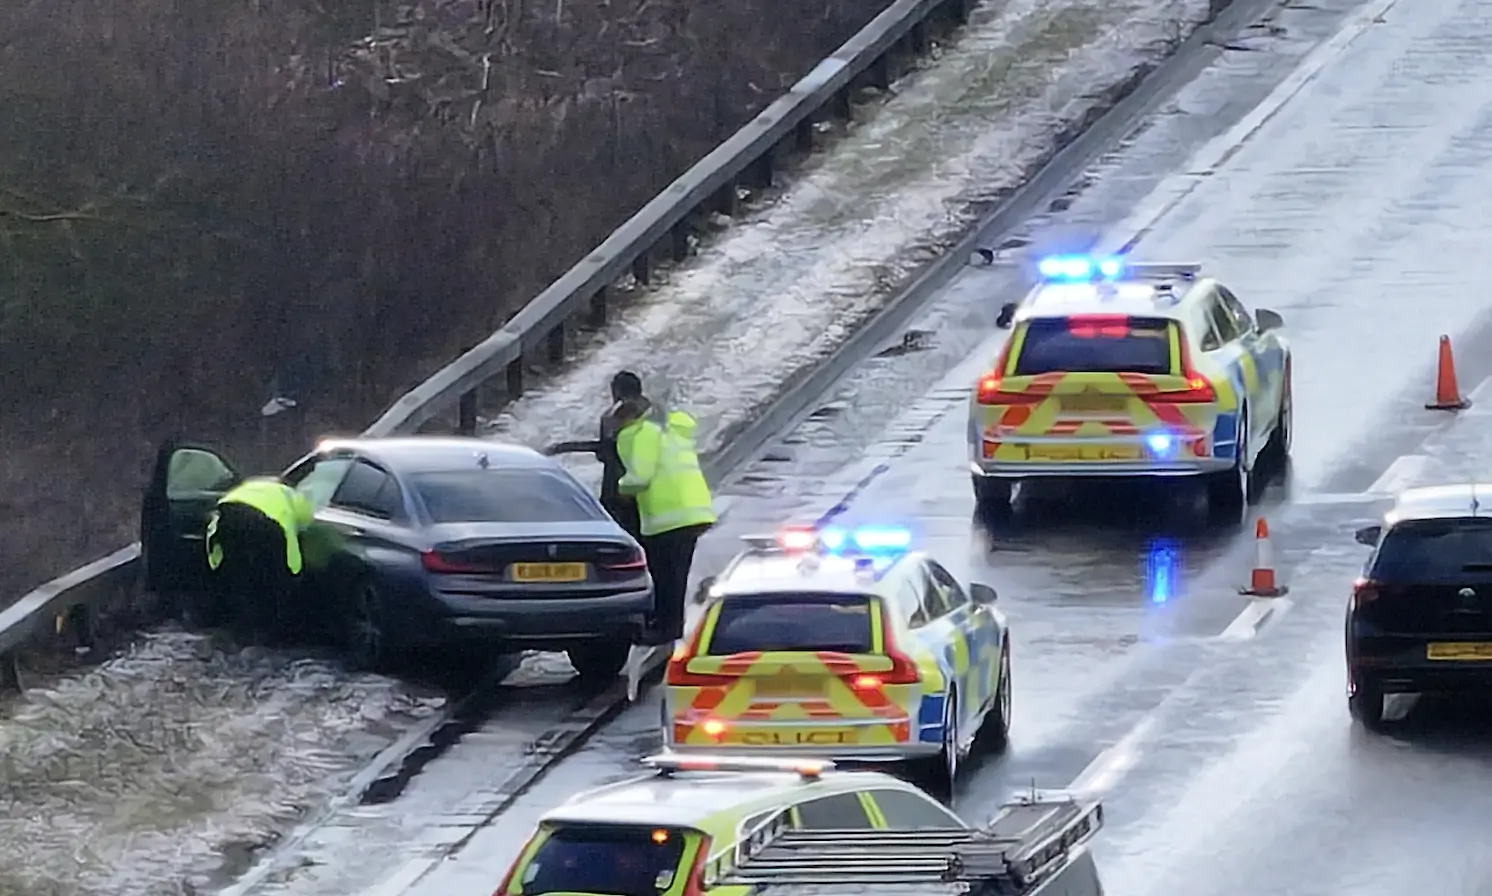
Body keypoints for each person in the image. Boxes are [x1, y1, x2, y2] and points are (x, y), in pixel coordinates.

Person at [614, 397, 718, 652]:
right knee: (677, 573)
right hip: (693, 510)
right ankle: (671, 623)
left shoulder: (641, 434)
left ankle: (665, 627)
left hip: (667, 514)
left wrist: (620, 488)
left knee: (663, 573)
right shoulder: (671, 430)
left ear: (628, 419)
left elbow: (640, 476)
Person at [205, 476, 316, 641]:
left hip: (229, 515)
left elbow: (215, 528)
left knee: (239, 575)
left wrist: (215, 562)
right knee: (269, 577)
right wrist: (293, 572)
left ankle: (239, 626)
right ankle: (265, 630)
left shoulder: (252, 486)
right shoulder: (295, 498)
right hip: (263, 524)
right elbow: (296, 531)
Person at [544, 371, 649, 540]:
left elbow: (606, 452)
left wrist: (562, 448)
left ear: (617, 392)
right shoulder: (657, 414)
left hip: (617, 490)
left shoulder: (612, 417)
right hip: (649, 493)